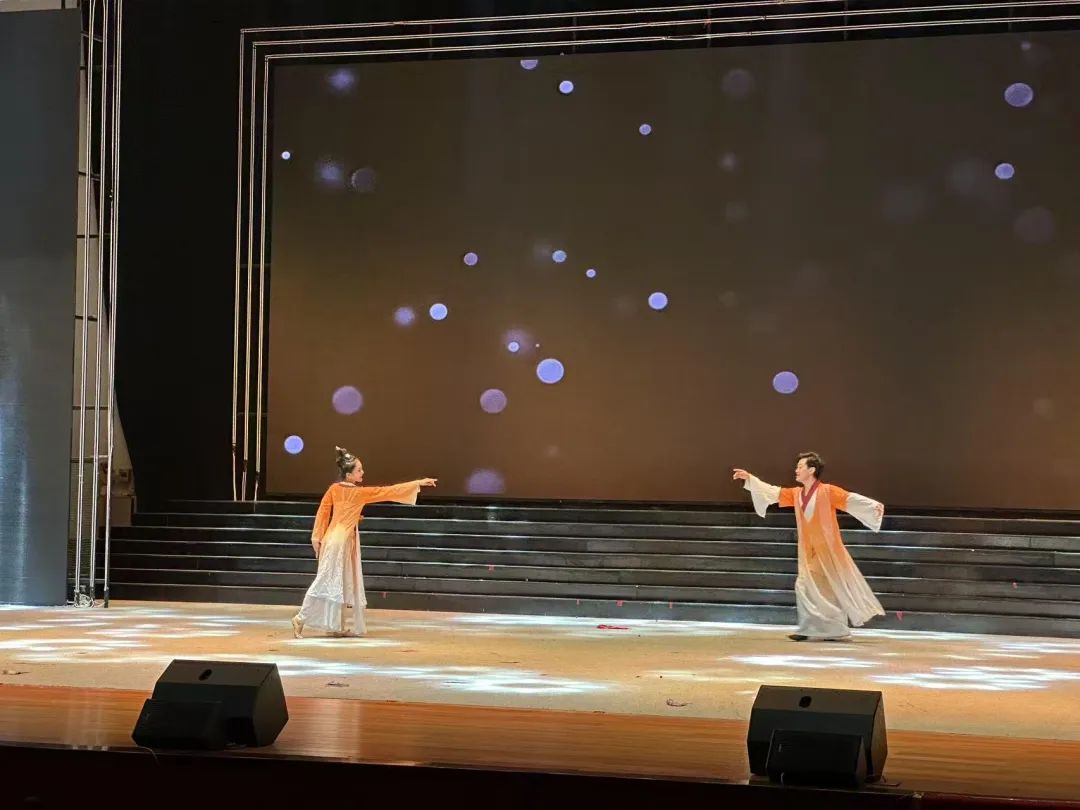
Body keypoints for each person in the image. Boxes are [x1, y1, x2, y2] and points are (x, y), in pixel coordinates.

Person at [733, 452, 885, 641]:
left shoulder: (828, 491)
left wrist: (873, 506)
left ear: (811, 470)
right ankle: (813, 629)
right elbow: (773, 492)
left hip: (828, 550)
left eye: (800, 467)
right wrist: (750, 479)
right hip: (809, 550)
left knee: (825, 589)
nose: (796, 470)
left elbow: (850, 499)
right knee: (806, 586)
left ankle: (831, 629)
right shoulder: (796, 494)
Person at [291, 446, 436, 638]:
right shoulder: (359, 493)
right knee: (325, 581)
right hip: (341, 542)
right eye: (359, 470)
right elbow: (389, 491)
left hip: (333, 539)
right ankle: (300, 618)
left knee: (338, 582)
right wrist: (418, 483)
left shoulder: (334, 489)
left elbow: (323, 512)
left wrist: (317, 537)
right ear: (349, 475)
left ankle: (335, 625)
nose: (362, 473)